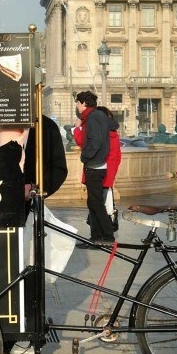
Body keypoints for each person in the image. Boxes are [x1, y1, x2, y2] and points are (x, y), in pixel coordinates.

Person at [75, 91, 117, 244]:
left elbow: (95, 141)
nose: (77, 106)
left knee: (96, 203)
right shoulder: (99, 116)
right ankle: (98, 236)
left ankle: (106, 235)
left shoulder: (92, 117)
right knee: (94, 202)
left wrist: (84, 156)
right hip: (99, 165)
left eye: (78, 103)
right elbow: (113, 125)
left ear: (84, 103)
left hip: (94, 165)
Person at [96, 106, 122, 232]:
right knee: (106, 203)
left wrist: (77, 129)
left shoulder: (102, 134)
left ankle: (102, 235)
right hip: (108, 174)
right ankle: (105, 232)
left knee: (98, 205)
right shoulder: (114, 134)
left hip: (99, 172)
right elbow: (118, 157)